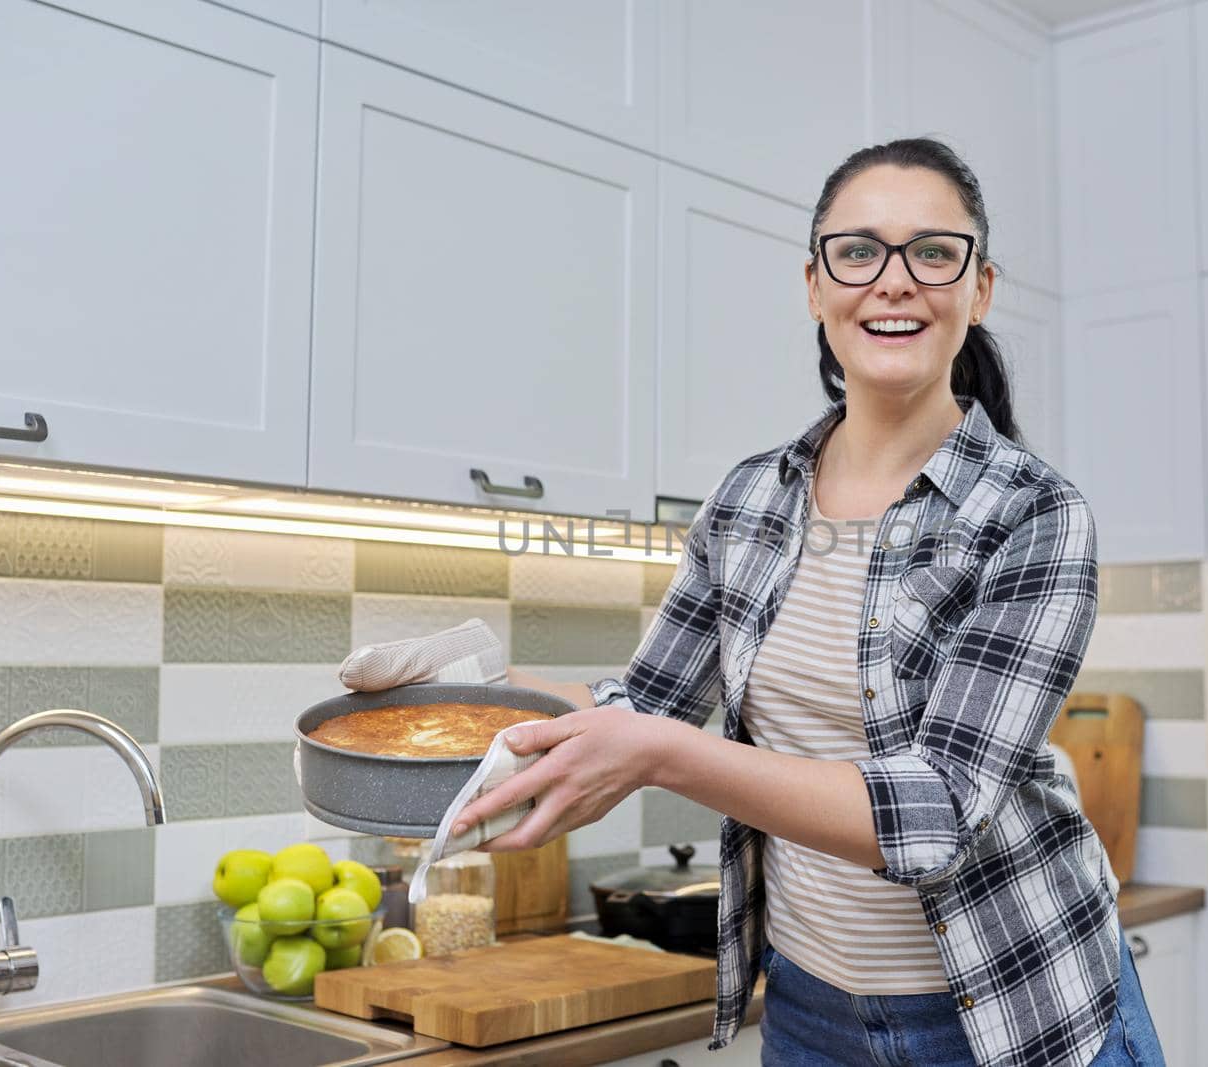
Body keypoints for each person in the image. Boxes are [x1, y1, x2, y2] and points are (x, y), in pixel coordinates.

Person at [454, 138, 1166, 1067]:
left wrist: (668, 756)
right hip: (809, 1011)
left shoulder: (1035, 512)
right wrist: (473, 697)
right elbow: (648, 706)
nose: (894, 281)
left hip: (1014, 1010)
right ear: (815, 284)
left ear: (979, 289)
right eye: (859, 250)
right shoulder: (750, 500)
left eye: (933, 253)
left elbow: (937, 809)